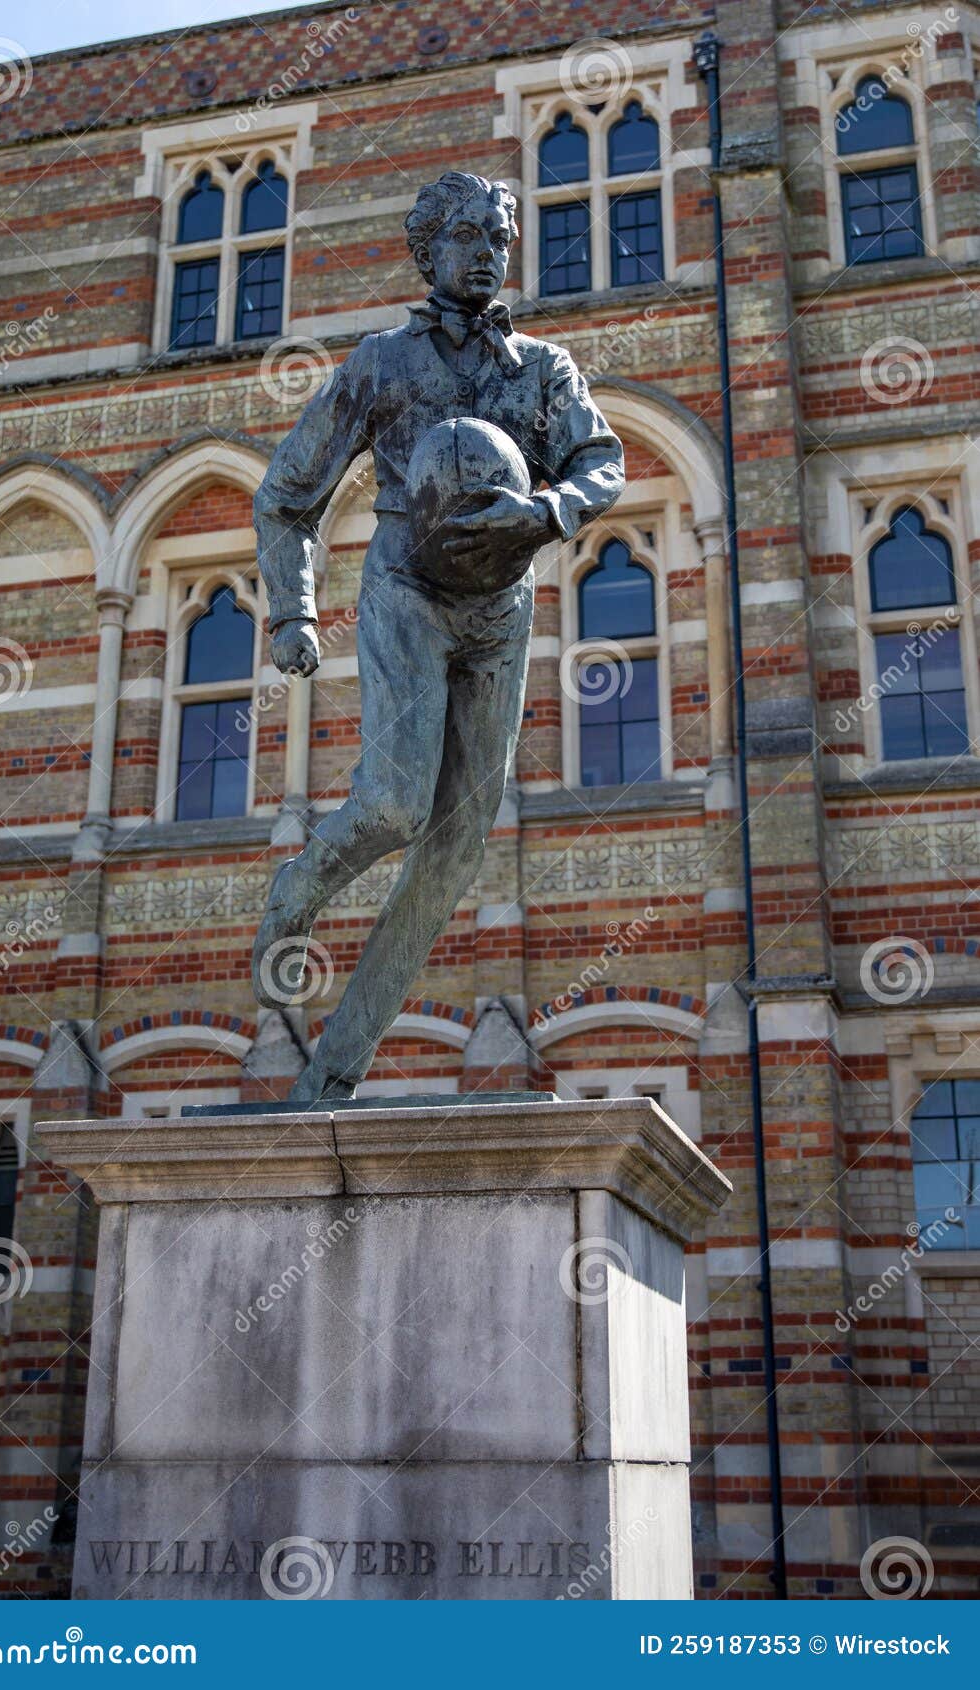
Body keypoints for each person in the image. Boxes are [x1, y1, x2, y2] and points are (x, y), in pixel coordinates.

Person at [252, 169, 625, 1101]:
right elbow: (287, 497)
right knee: (392, 805)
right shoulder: (380, 364)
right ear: (427, 252)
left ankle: (334, 1070)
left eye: (500, 239)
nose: (488, 254)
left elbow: (600, 461)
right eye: (468, 237)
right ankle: (301, 884)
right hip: (406, 590)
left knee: (457, 848)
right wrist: (294, 611)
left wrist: (546, 512)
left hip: (499, 608)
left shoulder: (541, 369)